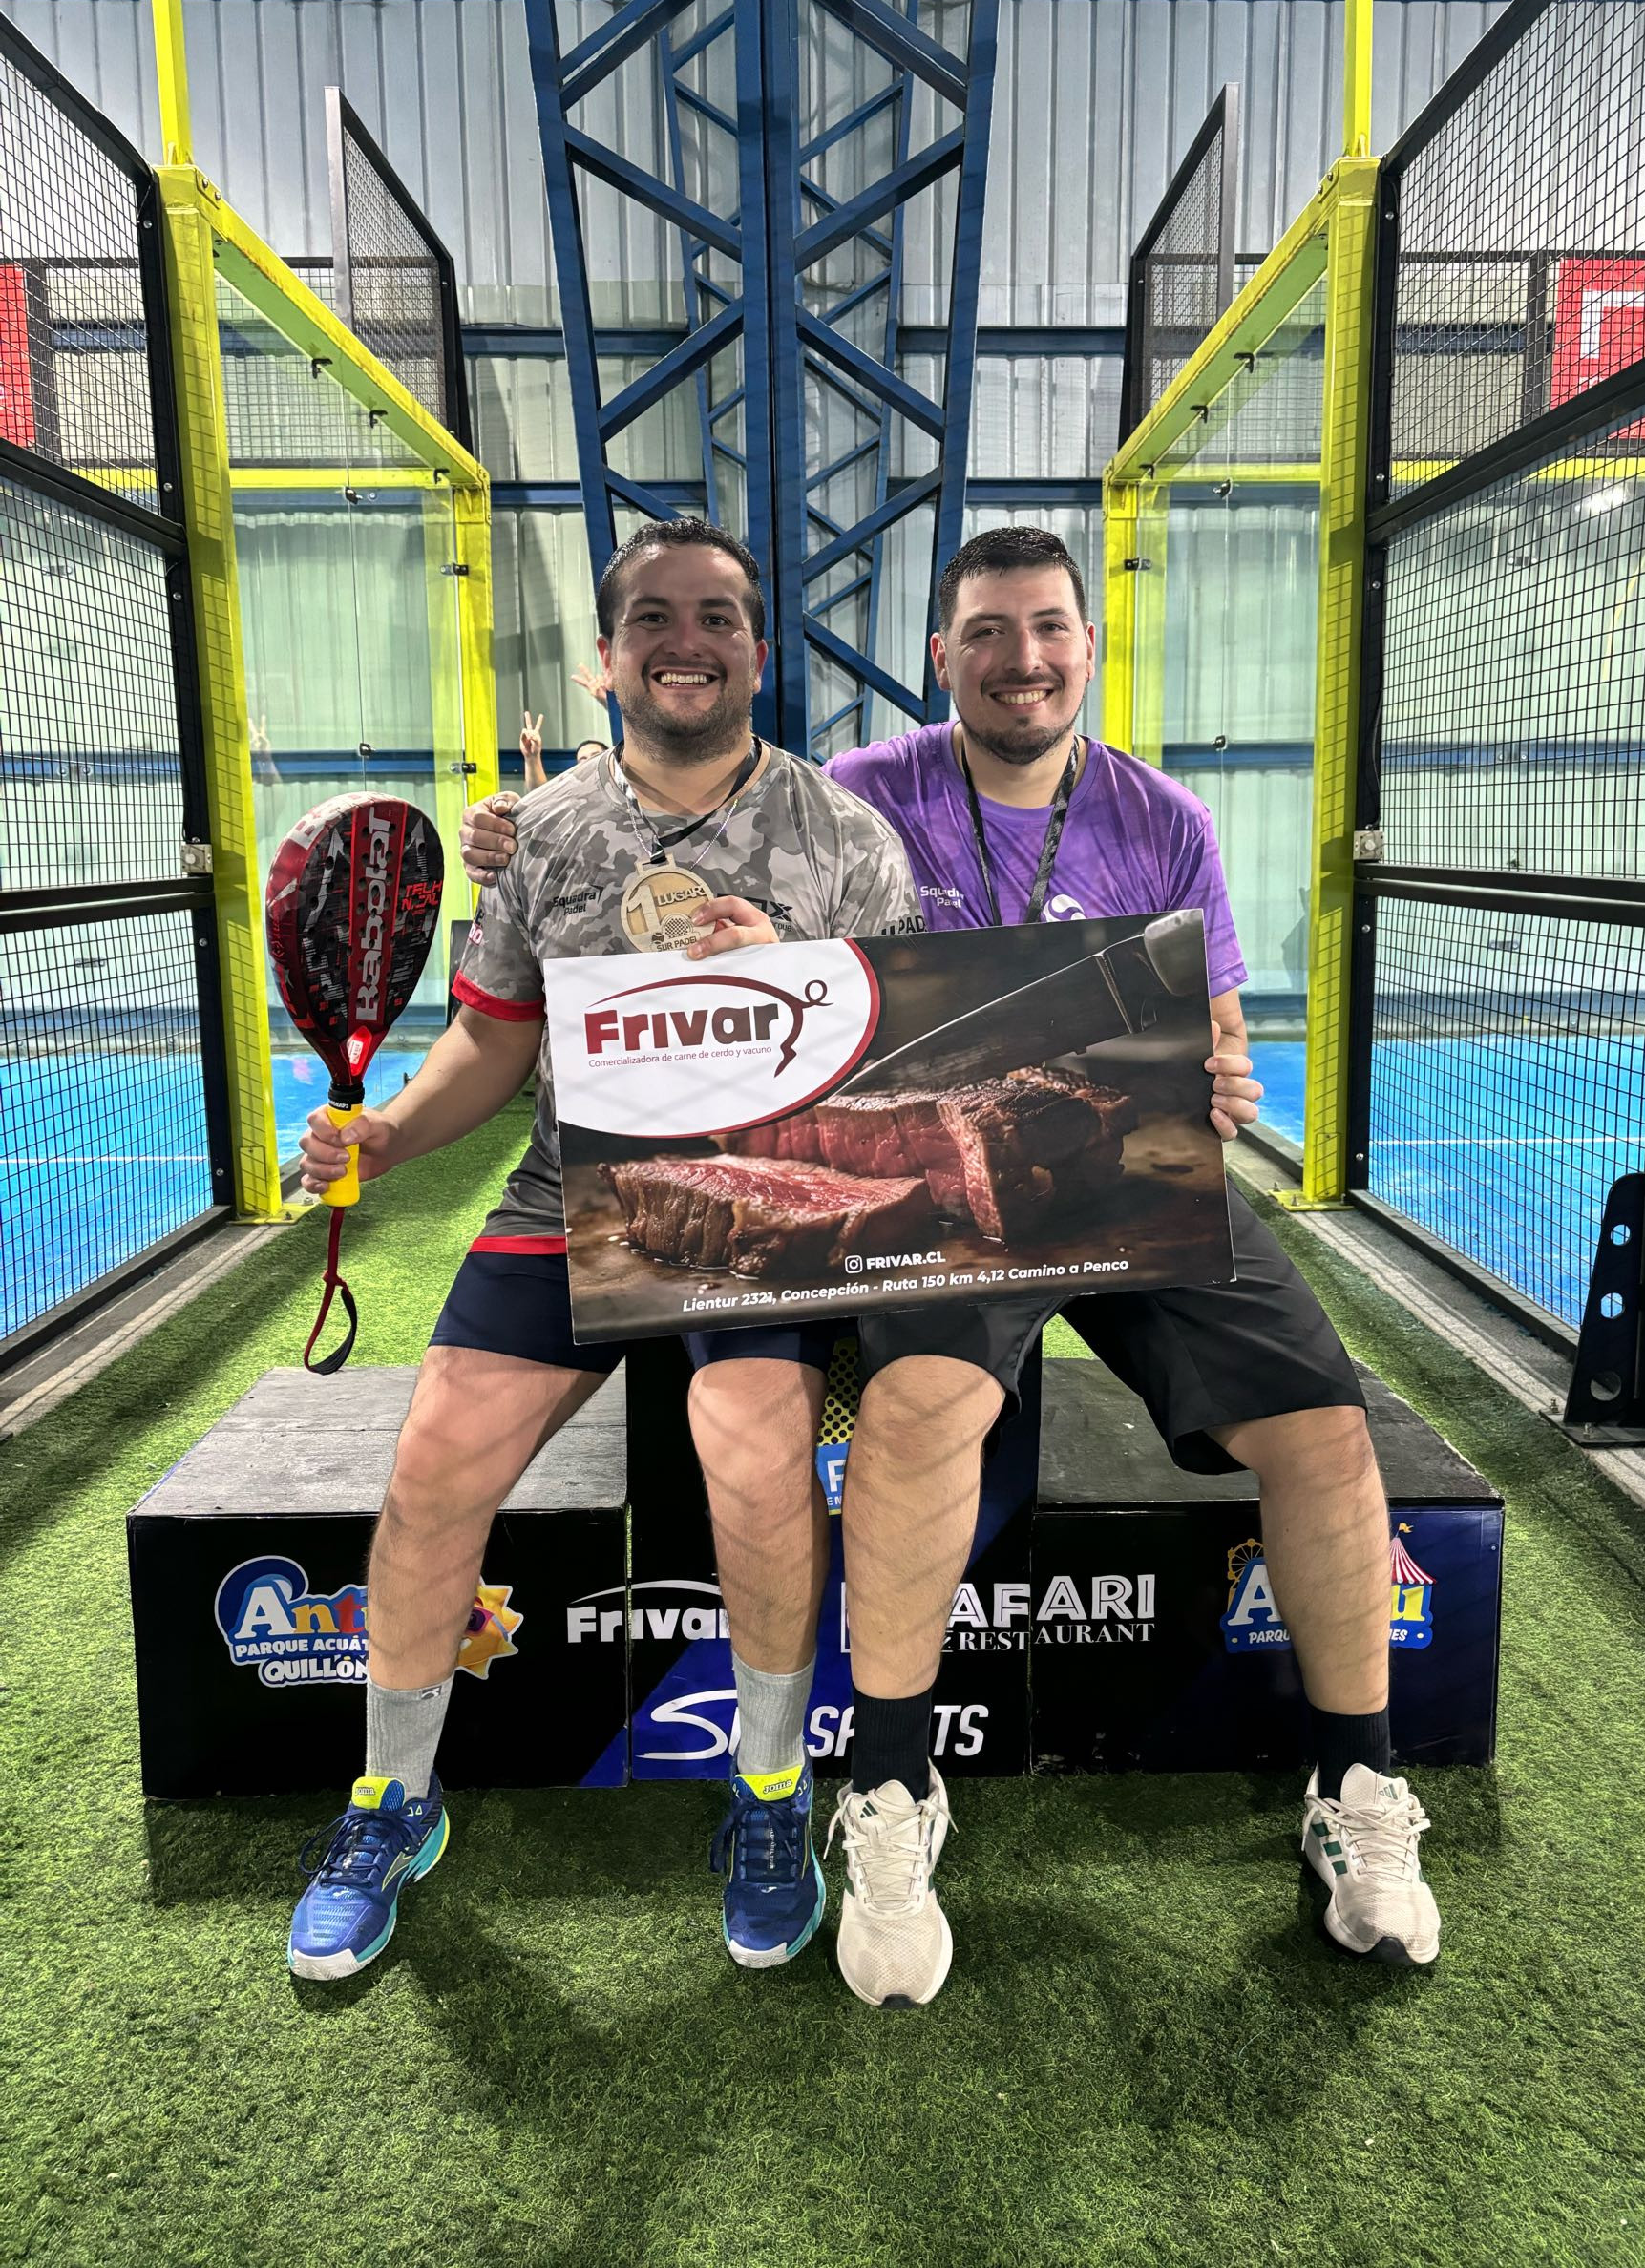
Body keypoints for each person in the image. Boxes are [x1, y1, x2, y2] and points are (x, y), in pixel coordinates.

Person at [462, 526, 1443, 2002]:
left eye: (1048, 628)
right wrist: (527, 827)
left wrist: (1226, 1079)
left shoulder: (1165, 817)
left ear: (1087, 646)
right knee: (919, 1417)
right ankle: (895, 1788)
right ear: (944, 657)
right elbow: (692, 812)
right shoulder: (863, 792)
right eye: (987, 632)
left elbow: (1220, 1027)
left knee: (1322, 1425)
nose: (1022, 659)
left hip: (1138, 1168)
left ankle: (1356, 1787)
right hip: (939, 1186)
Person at [287, 517, 926, 1987]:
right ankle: (393, 1801)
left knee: (754, 1449)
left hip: (759, 1207)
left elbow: (898, 1061)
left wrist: (794, 981)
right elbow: (491, 1041)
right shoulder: (546, 834)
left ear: (760, 649)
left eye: (716, 616)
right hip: (567, 1197)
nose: (684, 642)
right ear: (606, 655)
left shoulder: (846, 840)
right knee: (431, 1467)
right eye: (653, 617)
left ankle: (771, 1795)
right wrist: (387, 1137)